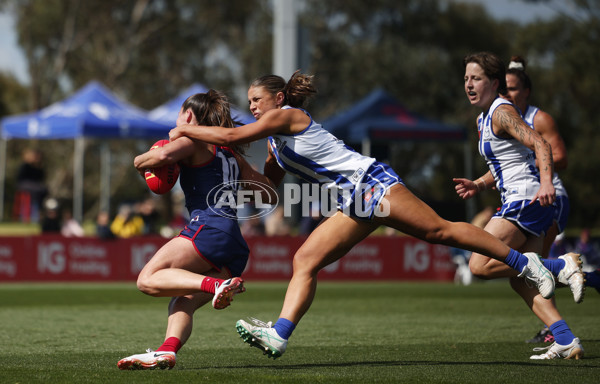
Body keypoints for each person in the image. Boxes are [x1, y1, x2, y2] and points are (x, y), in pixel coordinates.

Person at [169, 71, 581, 360]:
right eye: (250, 103)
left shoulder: (287, 116)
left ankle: (531, 264)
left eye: (256, 100)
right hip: (355, 202)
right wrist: (217, 167)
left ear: (278, 99)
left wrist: (188, 132)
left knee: (440, 231)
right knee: (305, 260)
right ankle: (279, 335)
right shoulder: (277, 144)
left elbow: (231, 134)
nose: (253, 107)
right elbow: (264, 187)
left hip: (371, 184)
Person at [117, 90, 276, 370]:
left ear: (188, 116)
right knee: (183, 302)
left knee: (147, 279)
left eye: (179, 114)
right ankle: (167, 351)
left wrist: (142, 161)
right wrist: (273, 161)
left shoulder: (191, 140)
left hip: (208, 228)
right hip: (235, 246)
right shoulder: (231, 154)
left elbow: (160, 155)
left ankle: (216, 285)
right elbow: (269, 195)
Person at [454, 52, 584, 360]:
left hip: (525, 198)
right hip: (525, 199)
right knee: (522, 278)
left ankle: (561, 266)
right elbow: (504, 161)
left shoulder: (501, 111)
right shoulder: (483, 117)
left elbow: (540, 144)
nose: (469, 85)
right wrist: (479, 184)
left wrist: (547, 183)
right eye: (466, 80)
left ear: (494, 83)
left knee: (478, 265)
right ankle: (566, 338)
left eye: (476, 79)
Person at [502, 56, 574, 345]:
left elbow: (562, 158)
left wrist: (533, 161)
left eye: (515, 89)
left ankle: (554, 329)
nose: (509, 95)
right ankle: (588, 278)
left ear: (526, 91)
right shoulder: (501, 120)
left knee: (531, 269)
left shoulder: (537, 118)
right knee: (530, 270)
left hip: (550, 197)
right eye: (505, 90)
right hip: (526, 199)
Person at [16, 148, 48, 223]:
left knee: (43, 191)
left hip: (35, 188)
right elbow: (21, 178)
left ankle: (38, 214)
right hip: (26, 186)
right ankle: (29, 217)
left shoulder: (39, 167)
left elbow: (41, 178)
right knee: (35, 194)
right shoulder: (25, 166)